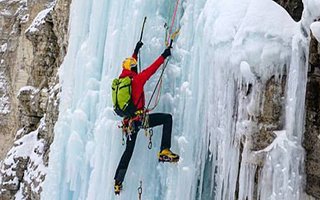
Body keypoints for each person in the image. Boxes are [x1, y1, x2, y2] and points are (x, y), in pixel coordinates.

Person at [114, 41, 179, 195]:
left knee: (128, 152)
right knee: (167, 118)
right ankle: (164, 150)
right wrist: (164, 54)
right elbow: (152, 70)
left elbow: (131, 64)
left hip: (128, 124)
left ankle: (118, 181)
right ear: (134, 69)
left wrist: (135, 50)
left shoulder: (122, 80)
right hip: (139, 121)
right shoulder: (137, 80)